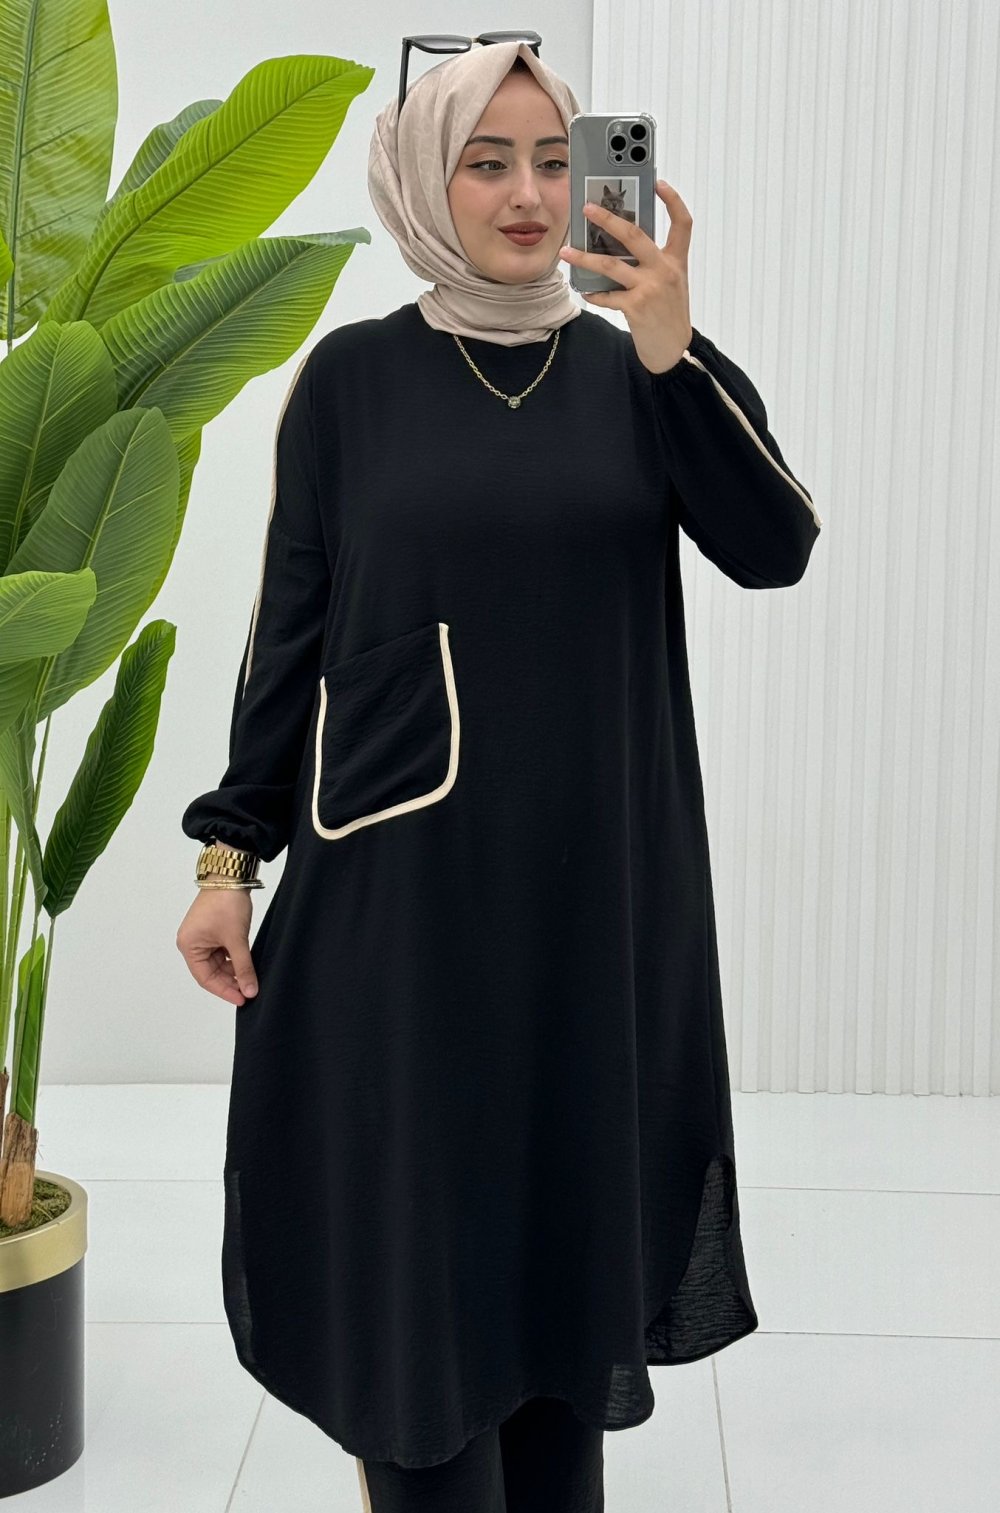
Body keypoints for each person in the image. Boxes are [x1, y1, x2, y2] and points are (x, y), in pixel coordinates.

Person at [176, 38, 821, 1513]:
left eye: (551, 160)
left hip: (592, 907)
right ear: (428, 178)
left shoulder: (638, 371)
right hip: (403, 913)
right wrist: (229, 855)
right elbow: (290, 636)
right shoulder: (351, 381)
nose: (527, 195)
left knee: (556, 1274)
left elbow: (775, 547)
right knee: (419, 1283)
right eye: (487, 161)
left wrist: (672, 346)